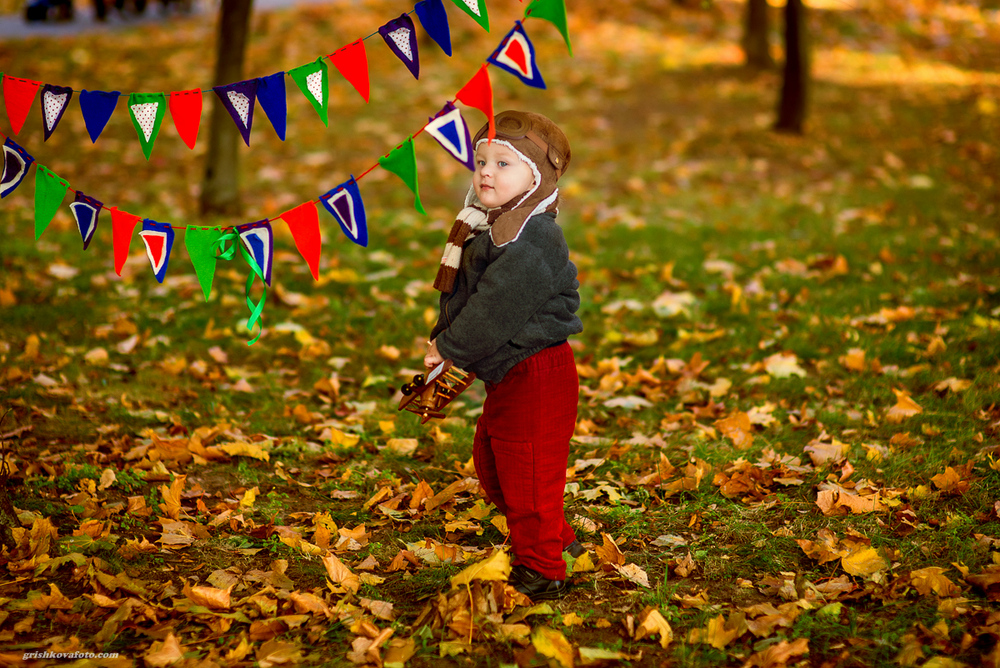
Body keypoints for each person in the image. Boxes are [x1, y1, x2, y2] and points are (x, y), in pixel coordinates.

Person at [423, 110, 584, 600]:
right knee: (493, 464)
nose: (486, 172)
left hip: (538, 371)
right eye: (481, 161)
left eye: (504, 164)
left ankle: (544, 570)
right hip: (508, 371)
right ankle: (558, 540)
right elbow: (466, 298)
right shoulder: (489, 229)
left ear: (537, 179)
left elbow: (494, 308)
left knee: (528, 469)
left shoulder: (533, 238)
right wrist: (441, 341)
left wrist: (450, 348)